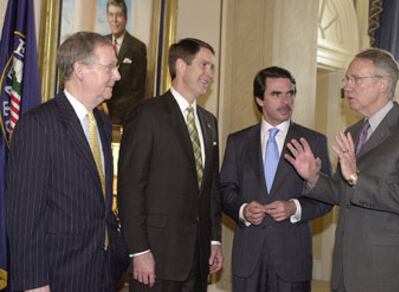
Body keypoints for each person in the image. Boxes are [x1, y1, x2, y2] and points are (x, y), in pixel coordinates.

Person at [6, 31, 129, 292]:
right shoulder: (39, 124)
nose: (117, 75)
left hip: (102, 273)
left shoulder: (103, 124)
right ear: (80, 69)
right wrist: (34, 283)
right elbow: (25, 215)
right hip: (58, 276)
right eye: (110, 67)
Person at [285, 48, 399, 292]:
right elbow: (342, 192)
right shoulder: (353, 133)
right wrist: (313, 177)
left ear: (382, 84)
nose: (347, 87)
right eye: (347, 79)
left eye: (356, 79)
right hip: (346, 268)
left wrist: (357, 177)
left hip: (386, 273)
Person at [118, 38, 223, 292]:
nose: (209, 73)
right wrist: (139, 250)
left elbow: (211, 189)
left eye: (212, 67)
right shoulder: (147, 114)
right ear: (181, 66)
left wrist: (214, 239)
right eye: (204, 65)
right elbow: (130, 189)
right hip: (156, 257)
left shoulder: (209, 122)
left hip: (198, 259)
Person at [220, 66, 332, 292]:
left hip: (292, 261)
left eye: (290, 93)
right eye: (276, 94)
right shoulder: (238, 142)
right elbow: (224, 190)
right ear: (259, 99)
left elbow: (327, 198)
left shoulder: (313, 141)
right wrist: (242, 210)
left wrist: (294, 207)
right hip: (248, 260)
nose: (286, 101)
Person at [106, 0, 147, 125]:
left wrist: (114, 113)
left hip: (124, 117)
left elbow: (138, 90)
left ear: (126, 18)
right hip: (99, 112)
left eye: (118, 15)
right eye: (111, 15)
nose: (115, 20)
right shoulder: (100, 43)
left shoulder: (137, 47)